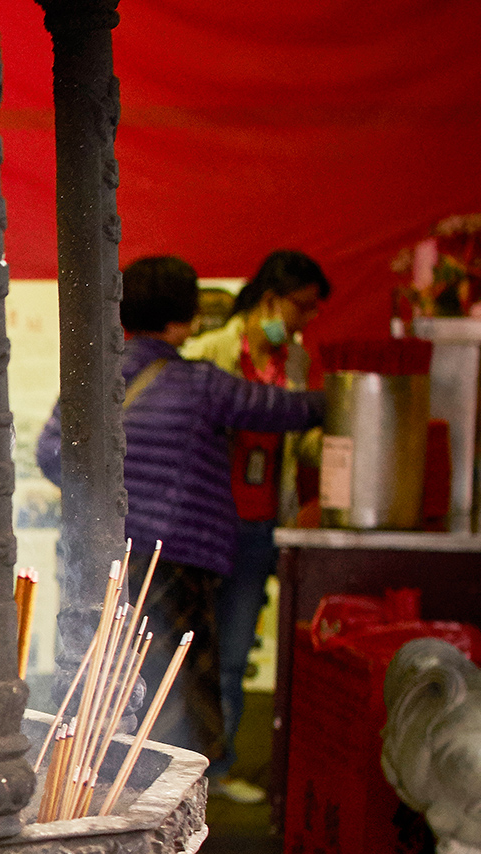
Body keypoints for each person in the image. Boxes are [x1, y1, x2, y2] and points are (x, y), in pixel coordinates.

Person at [38, 255, 325, 767]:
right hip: (175, 559)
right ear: (187, 320)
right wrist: (344, 395)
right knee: (175, 680)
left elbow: (50, 452)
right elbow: (286, 411)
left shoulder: (92, 375)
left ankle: (89, 778)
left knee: (100, 668)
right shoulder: (201, 383)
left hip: (97, 554)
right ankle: (165, 788)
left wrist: (109, 498)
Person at [184, 250, 330, 802]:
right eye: (303, 307)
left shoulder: (291, 362)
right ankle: (177, 770)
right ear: (271, 297)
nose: (306, 320)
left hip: (261, 523)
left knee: (235, 653)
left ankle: (215, 770)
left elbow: (296, 442)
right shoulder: (208, 354)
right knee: (188, 647)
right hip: (207, 522)